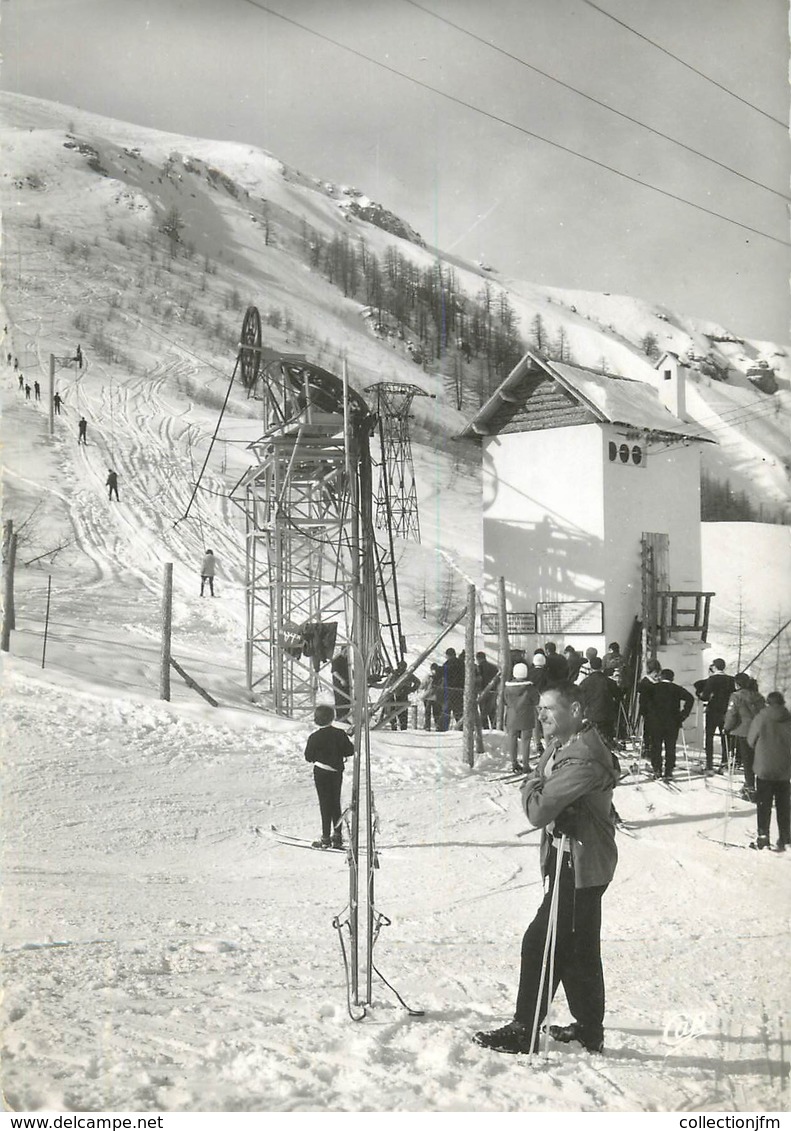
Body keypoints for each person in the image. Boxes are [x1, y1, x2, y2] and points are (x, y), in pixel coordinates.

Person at [473, 683, 619, 1056]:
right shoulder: (561, 745)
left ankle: (525, 1029)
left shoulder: (582, 756)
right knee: (578, 946)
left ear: (574, 710)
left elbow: (538, 809)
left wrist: (534, 787)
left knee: (541, 941)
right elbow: (542, 791)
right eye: (539, 708)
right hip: (570, 856)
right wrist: (540, 787)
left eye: (549, 709)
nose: (541, 715)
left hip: (580, 861)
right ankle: (589, 1030)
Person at [304, 704, 354, 849]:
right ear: (332, 718)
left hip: (321, 772)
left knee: (324, 804)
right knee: (335, 802)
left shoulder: (314, 737)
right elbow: (349, 751)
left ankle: (325, 838)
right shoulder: (339, 734)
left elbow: (308, 757)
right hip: (336, 772)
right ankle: (337, 836)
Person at [747, 692, 791, 851]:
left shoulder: (761, 717)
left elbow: (750, 740)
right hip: (785, 768)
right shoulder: (789, 718)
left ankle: (763, 836)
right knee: (784, 804)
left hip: (764, 767)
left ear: (767, 702)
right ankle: (785, 836)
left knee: (764, 803)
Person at [647, 669, 694, 780]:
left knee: (656, 746)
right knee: (670, 747)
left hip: (656, 721)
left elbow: (645, 702)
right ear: (672, 678)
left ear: (661, 677)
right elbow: (690, 698)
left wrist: (648, 715)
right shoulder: (677, 689)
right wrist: (683, 714)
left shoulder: (653, 688)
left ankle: (657, 769)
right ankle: (669, 771)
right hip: (673, 722)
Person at [724, 674, 765, 800]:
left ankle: (750, 788)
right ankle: (761, 787)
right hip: (759, 731)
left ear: (737, 684)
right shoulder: (759, 696)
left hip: (743, 732)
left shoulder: (736, 696)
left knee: (747, 761)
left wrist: (726, 727)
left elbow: (732, 714)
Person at [696, 659, 736, 773]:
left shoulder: (712, 679)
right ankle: (724, 763)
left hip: (713, 710)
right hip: (726, 711)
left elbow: (705, 696)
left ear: (715, 667)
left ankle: (709, 764)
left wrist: (700, 695)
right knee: (725, 737)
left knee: (709, 736)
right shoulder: (731, 679)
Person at [504, 663, 539, 773]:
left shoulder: (507, 687)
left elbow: (504, 701)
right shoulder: (529, 688)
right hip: (526, 715)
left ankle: (514, 762)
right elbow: (536, 700)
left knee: (512, 738)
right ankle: (526, 764)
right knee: (526, 740)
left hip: (511, 715)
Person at [578, 657, 621, 743]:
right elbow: (619, 696)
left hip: (591, 716)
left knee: (593, 741)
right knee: (607, 741)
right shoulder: (609, 682)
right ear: (601, 666)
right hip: (607, 716)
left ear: (590, 667)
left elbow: (580, 699)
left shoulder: (585, 683)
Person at [637, 660, 662, 762]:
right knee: (648, 731)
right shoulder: (646, 682)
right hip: (649, 711)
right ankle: (647, 750)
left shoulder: (652, 682)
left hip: (654, 711)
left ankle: (650, 750)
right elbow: (643, 700)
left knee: (653, 731)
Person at [386, 660, 420, 731]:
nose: (401, 668)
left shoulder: (408, 674)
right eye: (400, 666)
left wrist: (410, 689)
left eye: (403, 667)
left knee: (403, 712)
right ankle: (394, 725)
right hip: (394, 694)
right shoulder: (395, 673)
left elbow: (417, 682)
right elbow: (388, 682)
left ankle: (403, 726)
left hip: (403, 694)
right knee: (392, 710)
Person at [441, 648, 465, 731]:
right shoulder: (462, 663)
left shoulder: (447, 664)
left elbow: (443, 677)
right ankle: (461, 727)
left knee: (446, 711)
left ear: (448, 655)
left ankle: (444, 729)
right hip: (460, 690)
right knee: (458, 711)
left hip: (449, 690)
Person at [475, 651, 500, 729]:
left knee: (483, 711)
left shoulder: (479, 668)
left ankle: (485, 727)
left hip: (483, 691)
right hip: (493, 691)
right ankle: (494, 726)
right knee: (492, 710)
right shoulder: (493, 667)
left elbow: (479, 680)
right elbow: (498, 679)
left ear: (478, 659)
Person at [331, 649, 351, 721]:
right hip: (339, 684)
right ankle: (340, 717)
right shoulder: (337, 660)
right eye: (345, 652)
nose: (347, 654)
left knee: (347, 700)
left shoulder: (347, 660)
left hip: (347, 683)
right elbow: (334, 672)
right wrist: (341, 680)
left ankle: (345, 717)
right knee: (340, 700)